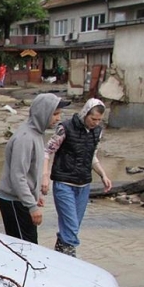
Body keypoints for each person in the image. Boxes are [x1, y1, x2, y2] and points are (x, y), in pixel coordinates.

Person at [41, 98, 112, 256]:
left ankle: (60, 253)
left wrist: (103, 175)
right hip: (64, 183)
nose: (95, 123)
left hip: (84, 185)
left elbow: (92, 156)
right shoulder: (65, 128)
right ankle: (70, 257)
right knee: (71, 226)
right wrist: (44, 176)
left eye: (99, 120)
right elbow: (47, 151)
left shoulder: (97, 132)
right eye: (93, 119)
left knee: (72, 226)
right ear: (85, 113)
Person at [0, 93, 70, 244]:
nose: (58, 118)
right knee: (24, 248)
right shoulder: (25, 138)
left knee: (29, 246)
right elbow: (18, 176)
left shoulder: (37, 133)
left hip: (21, 199)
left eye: (59, 114)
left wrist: (35, 196)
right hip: (13, 200)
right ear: (42, 113)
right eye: (55, 114)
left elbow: (30, 171)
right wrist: (31, 205)